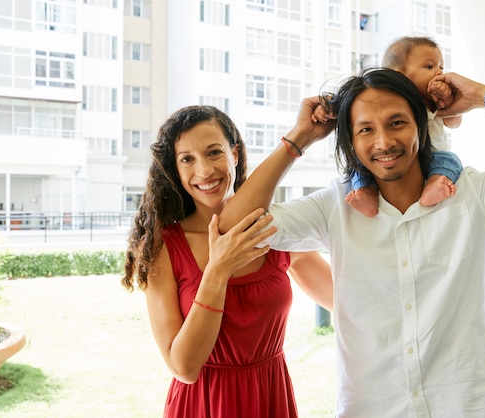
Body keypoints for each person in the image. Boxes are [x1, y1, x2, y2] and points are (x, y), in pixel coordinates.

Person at [219, 68, 485, 417]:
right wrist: (300, 137)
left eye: (397, 123)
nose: (384, 141)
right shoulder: (334, 206)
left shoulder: (472, 194)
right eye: (366, 129)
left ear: (421, 127)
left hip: (464, 408)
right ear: (351, 143)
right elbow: (233, 224)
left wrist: (484, 96)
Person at [121, 105, 333, 418]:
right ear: (175, 170)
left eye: (213, 153)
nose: (204, 171)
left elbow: (349, 304)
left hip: (270, 398)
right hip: (202, 405)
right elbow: (183, 367)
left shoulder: (273, 231)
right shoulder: (163, 247)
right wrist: (218, 270)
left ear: (234, 154)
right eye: (187, 159)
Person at [313, 36, 463, 216]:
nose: (439, 73)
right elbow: (344, 107)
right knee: (358, 166)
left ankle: (434, 184)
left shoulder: (436, 101)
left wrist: (450, 100)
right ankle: (366, 192)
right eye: (430, 67)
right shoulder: (376, 100)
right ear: (400, 76)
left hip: (434, 155)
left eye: (441, 67)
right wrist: (327, 110)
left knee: (450, 161)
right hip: (385, 163)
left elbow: (454, 122)